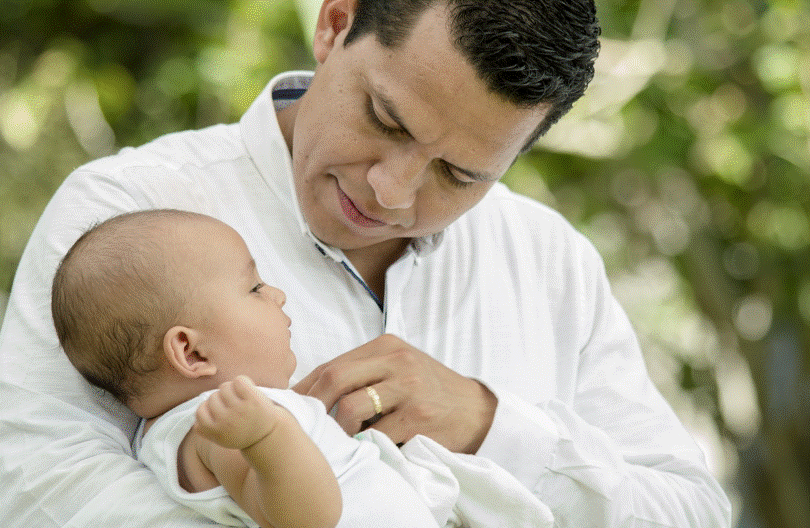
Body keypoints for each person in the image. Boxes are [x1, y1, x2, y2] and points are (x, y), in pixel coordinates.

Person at [0, 0, 732, 526]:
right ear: (334, 24)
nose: (393, 190)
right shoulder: (126, 210)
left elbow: (693, 511)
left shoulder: (550, 261)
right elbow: (38, 488)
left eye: (459, 174)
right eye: (385, 119)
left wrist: (488, 424)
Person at [50, 208, 552, 528]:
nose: (278, 294)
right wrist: (266, 436)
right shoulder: (213, 431)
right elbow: (306, 519)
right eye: (254, 288)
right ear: (192, 353)